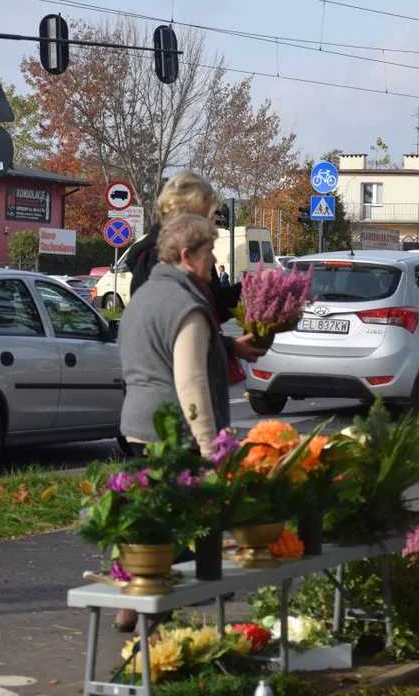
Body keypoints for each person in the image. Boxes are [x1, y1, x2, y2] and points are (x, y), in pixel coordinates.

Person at [115, 215, 234, 631]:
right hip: (173, 430)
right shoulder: (188, 306)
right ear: (186, 255)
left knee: (150, 513)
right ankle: (154, 607)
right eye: (208, 251)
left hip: (135, 423)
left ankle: (134, 590)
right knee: (189, 525)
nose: (214, 259)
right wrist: (209, 444)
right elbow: (191, 381)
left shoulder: (144, 297)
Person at [126, 170, 262, 365]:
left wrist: (250, 289)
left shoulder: (197, 252)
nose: (208, 222)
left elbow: (212, 306)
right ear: (183, 213)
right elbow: (172, 334)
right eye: (203, 215)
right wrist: (230, 347)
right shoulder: (153, 258)